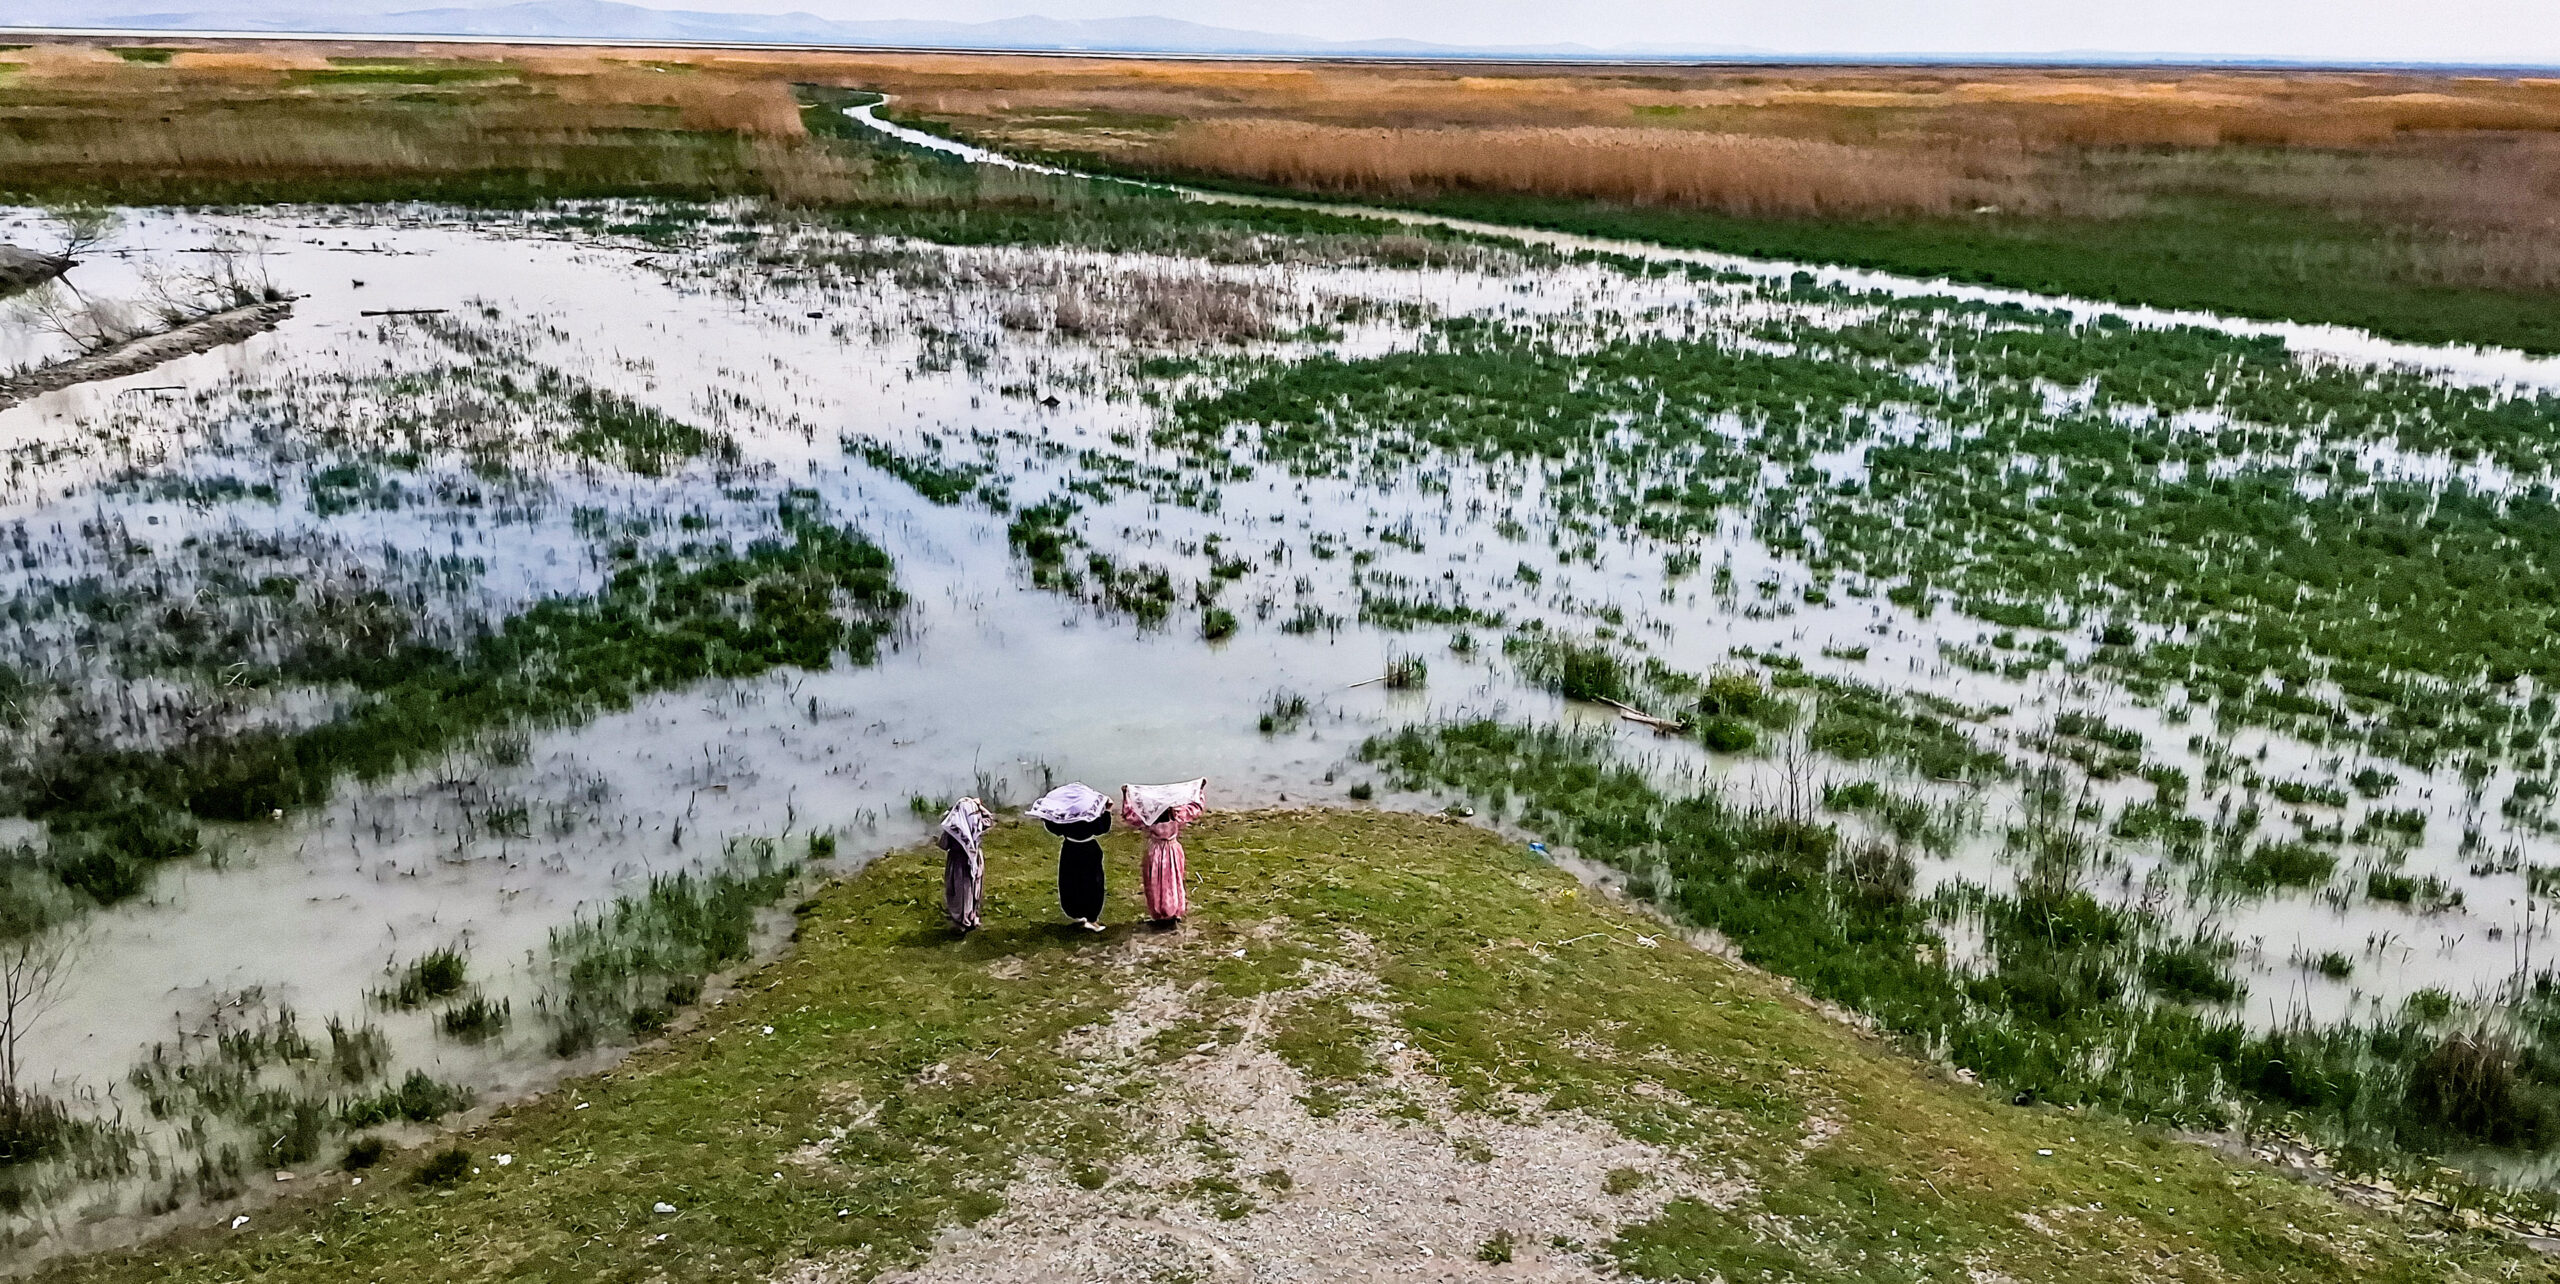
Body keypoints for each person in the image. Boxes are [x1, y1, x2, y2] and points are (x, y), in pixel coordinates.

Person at [1121, 779, 1207, 926]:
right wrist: (1200, 789)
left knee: (1155, 882)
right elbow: (1195, 808)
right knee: (1173, 879)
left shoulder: (1149, 817)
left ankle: (1160, 913)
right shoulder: (1176, 814)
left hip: (1155, 851)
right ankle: (1173, 910)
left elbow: (1129, 815)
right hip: (1172, 850)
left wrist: (1126, 795)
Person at [1028, 783, 1113, 931]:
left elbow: (1055, 829)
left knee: (1071, 881)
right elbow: (1102, 828)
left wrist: (1047, 817)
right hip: (1090, 849)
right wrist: (1107, 811)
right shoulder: (1090, 816)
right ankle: (1092, 918)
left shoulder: (1065, 818)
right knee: (1093, 883)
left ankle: (1077, 912)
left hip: (1070, 849)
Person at [936, 797, 995, 932]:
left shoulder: (954, 829)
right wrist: (979, 806)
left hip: (958, 863)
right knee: (973, 889)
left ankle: (962, 920)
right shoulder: (976, 822)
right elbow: (989, 819)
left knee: (961, 891)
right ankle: (971, 916)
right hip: (974, 860)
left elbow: (943, 844)